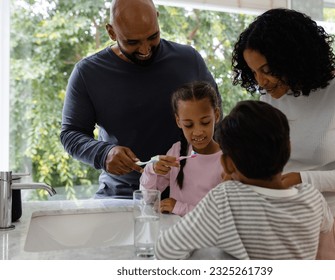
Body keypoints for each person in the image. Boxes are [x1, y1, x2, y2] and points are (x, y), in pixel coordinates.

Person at [231, 8, 335, 259]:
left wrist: (300, 179)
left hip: (329, 223)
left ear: (294, 58)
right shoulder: (271, 95)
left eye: (267, 69)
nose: (260, 81)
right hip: (278, 218)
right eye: (254, 72)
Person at [60, 0, 221, 198]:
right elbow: (70, 134)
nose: (145, 50)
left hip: (190, 194)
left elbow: (217, 120)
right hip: (122, 196)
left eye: (153, 37)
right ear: (111, 32)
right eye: (132, 42)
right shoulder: (87, 73)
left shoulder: (189, 60)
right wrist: (103, 153)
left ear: (158, 19)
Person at [155, 100, 333, 260]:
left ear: (227, 164)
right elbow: (326, 226)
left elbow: (165, 249)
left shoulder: (225, 198)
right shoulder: (313, 197)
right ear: (289, 148)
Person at [140, 81, 223, 216]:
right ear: (179, 121)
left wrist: (179, 207)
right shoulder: (176, 152)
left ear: (217, 115)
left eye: (205, 122)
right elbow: (148, 198)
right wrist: (152, 169)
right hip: (174, 233)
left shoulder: (227, 161)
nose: (198, 132)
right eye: (189, 125)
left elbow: (221, 216)